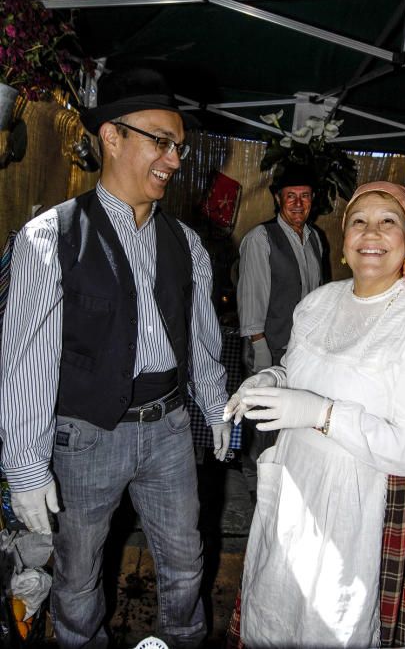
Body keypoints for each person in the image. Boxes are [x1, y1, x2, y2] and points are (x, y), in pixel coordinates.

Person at [0, 67, 231, 649]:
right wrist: (25, 466)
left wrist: (216, 404)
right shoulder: (50, 236)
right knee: (77, 575)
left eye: (179, 146)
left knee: (186, 561)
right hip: (85, 435)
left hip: (171, 429)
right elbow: (26, 363)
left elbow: (200, 340)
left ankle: (183, 640)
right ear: (112, 136)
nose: (175, 160)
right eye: (161, 140)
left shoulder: (188, 242)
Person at [223, 181, 405, 648]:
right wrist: (273, 379)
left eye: (387, 222)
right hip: (292, 495)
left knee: (333, 624)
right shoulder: (319, 302)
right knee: (273, 615)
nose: (370, 233)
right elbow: (296, 368)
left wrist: (322, 413)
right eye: (359, 221)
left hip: (358, 512)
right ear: (345, 238)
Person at [236, 162, 324, 497]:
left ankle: (280, 479)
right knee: (262, 420)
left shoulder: (315, 239)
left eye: (305, 196)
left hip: (299, 350)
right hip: (268, 344)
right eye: (291, 196)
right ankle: (254, 481)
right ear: (277, 198)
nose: (298, 203)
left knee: (288, 419)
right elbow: (252, 295)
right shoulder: (262, 238)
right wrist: (258, 344)